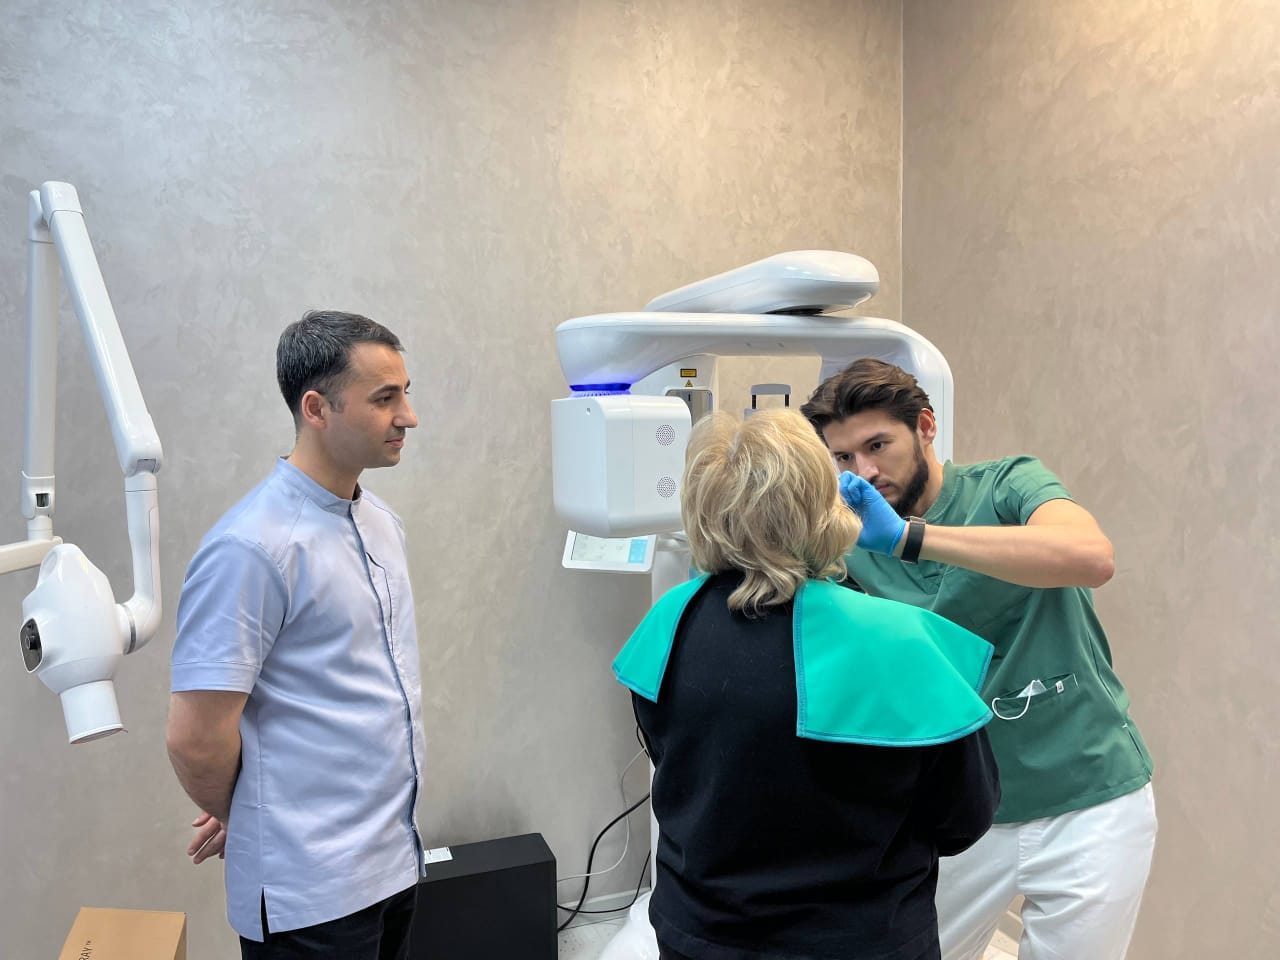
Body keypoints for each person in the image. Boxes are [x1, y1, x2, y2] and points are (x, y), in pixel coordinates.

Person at [800, 358, 1157, 960]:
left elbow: (1091, 557)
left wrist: (910, 538)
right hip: (956, 809)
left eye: (878, 445)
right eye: (843, 457)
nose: (865, 471)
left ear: (926, 427)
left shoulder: (1007, 486)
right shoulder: (851, 540)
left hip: (1088, 796)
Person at [613, 408, 1002, 960]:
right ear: (824, 506)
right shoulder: (899, 641)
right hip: (859, 942)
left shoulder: (668, 624)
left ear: (701, 510)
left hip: (699, 935)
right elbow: (964, 818)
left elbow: (675, 769)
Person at [165, 310, 425, 959]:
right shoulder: (251, 549)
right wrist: (255, 812)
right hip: (311, 892)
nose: (408, 417)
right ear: (316, 408)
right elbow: (195, 737)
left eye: (405, 393)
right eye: (384, 398)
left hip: (393, 861)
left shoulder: (381, 522)